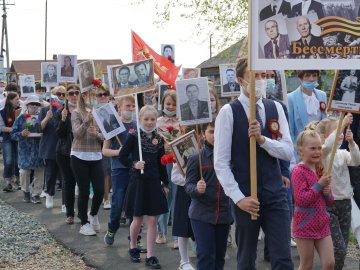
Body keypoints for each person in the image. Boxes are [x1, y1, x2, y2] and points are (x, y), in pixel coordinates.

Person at [214, 58, 294, 269]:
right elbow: (221, 163)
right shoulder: (228, 112)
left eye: (264, 76)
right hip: (246, 197)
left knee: (283, 258)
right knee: (247, 259)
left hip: (275, 194)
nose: (261, 80)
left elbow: (287, 151)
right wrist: (239, 198)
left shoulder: (275, 107)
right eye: (255, 76)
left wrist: (263, 140)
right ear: (241, 80)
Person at [119, 105, 169, 269]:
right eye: (146, 119)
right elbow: (122, 156)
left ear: (156, 120)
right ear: (140, 120)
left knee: (153, 219)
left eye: (152, 119)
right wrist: (134, 164)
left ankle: (151, 255)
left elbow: (161, 163)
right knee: (138, 218)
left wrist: (165, 182)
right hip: (138, 181)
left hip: (154, 181)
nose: (149, 122)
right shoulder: (134, 137)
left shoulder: (159, 138)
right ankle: (133, 246)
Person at [185, 120, 233, 270]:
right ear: (203, 135)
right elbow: (188, 185)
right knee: (205, 255)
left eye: (218, 131)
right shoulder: (196, 158)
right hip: (202, 214)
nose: (215, 135)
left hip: (224, 213)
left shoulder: (231, 157)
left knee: (220, 256)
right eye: (211, 131)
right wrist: (196, 189)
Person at [315, 115, 360, 269]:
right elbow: (327, 146)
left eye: (341, 130)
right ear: (324, 136)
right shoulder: (323, 154)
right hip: (329, 205)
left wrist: (352, 143)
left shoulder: (342, 154)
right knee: (338, 249)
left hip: (345, 204)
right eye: (336, 130)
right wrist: (342, 124)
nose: (340, 133)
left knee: (343, 247)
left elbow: (356, 160)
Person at [292, 129, 335, 270]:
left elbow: (329, 201)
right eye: (312, 148)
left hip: (322, 222)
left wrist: (327, 192)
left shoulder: (320, 170)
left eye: (319, 148)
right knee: (306, 265)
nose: (317, 152)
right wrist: (319, 185)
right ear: (301, 150)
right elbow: (301, 200)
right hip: (305, 223)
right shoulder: (298, 171)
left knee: (329, 263)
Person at [103, 95, 137, 245]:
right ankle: (112, 228)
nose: (130, 109)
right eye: (127, 106)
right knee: (118, 203)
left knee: (135, 204)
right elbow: (105, 150)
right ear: (119, 108)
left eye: (132, 106)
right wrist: (118, 152)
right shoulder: (113, 125)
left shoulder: (138, 125)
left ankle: (135, 238)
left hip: (135, 169)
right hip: (119, 169)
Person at [70, 90, 104, 236]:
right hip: (79, 155)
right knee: (84, 190)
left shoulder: (99, 112)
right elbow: (76, 134)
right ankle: (83, 222)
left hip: (96, 155)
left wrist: (96, 134)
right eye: (84, 94)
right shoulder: (76, 112)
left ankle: (93, 214)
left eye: (91, 94)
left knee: (100, 189)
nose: (88, 97)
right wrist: (86, 122)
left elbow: (106, 136)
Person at [156, 90, 181, 247]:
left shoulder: (182, 122)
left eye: (174, 104)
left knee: (178, 200)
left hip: (179, 164)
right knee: (164, 198)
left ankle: (177, 236)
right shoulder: (157, 122)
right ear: (162, 104)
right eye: (168, 104)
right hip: (164, 164)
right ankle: (161, 231)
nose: (171, 107)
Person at [10, 95, 45, 204]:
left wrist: (43, 134)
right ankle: (26, 192)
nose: (34, 106)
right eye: (32, 104)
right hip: (25, 151)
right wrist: (21, 133)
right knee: (24, 172)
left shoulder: (42, 117)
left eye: (36, 104)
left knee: (40, 172)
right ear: (27, 105)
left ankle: (36, 194)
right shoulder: (21, 118)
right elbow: (13, 134)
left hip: (39, 150)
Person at [54, 84, 80, 224]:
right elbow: (59, 134)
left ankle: (83, 214)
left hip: (81, 152)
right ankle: (70, 213)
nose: (74, 95)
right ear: (66, 96)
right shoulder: (60, 112)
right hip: (64, 152)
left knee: (82, 183)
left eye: (76, 92)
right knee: (69, 182)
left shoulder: (84, 111)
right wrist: (63, 120)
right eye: (71, 93)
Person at [287, 70, 327, 151]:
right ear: (300, 78)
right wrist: (296, 151)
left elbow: (325, 122)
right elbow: (290, 130)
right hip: (302, 149)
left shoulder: (322, 95)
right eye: (307, 76)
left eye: (314, 75)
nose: (311, 79)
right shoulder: (290, 98)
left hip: (320, 147)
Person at [38, 94, 63, 209]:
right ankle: (49, 194)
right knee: (50, 174)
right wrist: (47, 117)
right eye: (50, 101)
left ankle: (65, 202)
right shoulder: (43, 110)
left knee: (65, 176)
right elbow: (40, 128)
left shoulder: (63, 110)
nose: (52, 103)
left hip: (63, 146)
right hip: (49, 146)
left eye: (55, 100)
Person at [0, 92, 20, 192]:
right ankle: (8, 182)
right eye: (17, 99)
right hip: (7, 139)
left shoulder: (20, 111)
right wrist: (14, 129)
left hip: (18, 138)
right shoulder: (2, 112)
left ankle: (16, 179)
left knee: (17, 160)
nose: (18, 101)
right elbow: (2, 128)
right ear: (10, 100)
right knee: (8, 161)